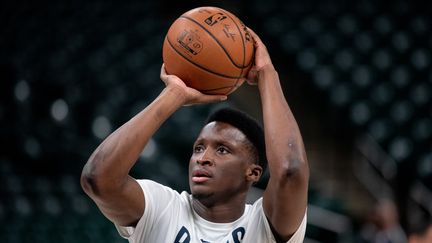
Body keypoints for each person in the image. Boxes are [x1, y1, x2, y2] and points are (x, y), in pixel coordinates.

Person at [81, 28, 309, 242]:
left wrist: (267, 74)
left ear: (253, 172)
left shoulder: (262, 225)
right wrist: (174, 94)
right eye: (198, 148)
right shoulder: (163, 208)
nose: (203, 158)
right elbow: (98, 179)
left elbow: (291, 170)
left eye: (222, 150)